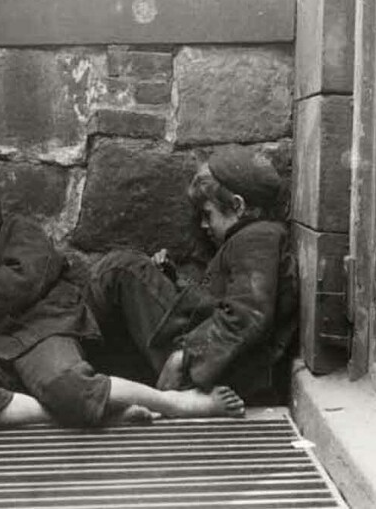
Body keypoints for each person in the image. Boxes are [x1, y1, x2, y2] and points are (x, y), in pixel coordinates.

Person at [0, 202, 247, 447]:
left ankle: (176, 404)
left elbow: (18, 283)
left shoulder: (22, 234)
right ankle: (95, 414)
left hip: (38, 328)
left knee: (67, 385)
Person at [86, 145, 298, 405]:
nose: (203, 225)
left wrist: (185, 356)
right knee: (130, 268)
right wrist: (172, 279)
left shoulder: (258, 237)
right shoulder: (253, 238)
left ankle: (74, 376)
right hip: (211, 355)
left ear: (237, 205)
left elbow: (248, 314)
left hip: (221, 370)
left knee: (121, 269)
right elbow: (220, 299)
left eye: (208, 214)